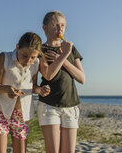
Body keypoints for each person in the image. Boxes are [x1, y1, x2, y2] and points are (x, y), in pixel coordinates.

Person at [0, 32, 50, 153]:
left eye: (33, 57)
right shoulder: (4, 58)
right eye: (25, 55)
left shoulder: (36, 63)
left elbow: (33, 85)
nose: (29, 60)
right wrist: (7, 89)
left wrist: (40, 90)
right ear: (17, 47)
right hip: (1, 111)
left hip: (22, 114)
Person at [37, 11, 85, 153]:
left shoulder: (70, 48)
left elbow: (82, 78)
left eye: (63, 25)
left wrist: (63, 57)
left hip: (71, 105)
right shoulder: (41, 49)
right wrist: (63, 55)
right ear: (45, 28)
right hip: (49, 105)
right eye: (55, 25)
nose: (60, 29)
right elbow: (48, 75)